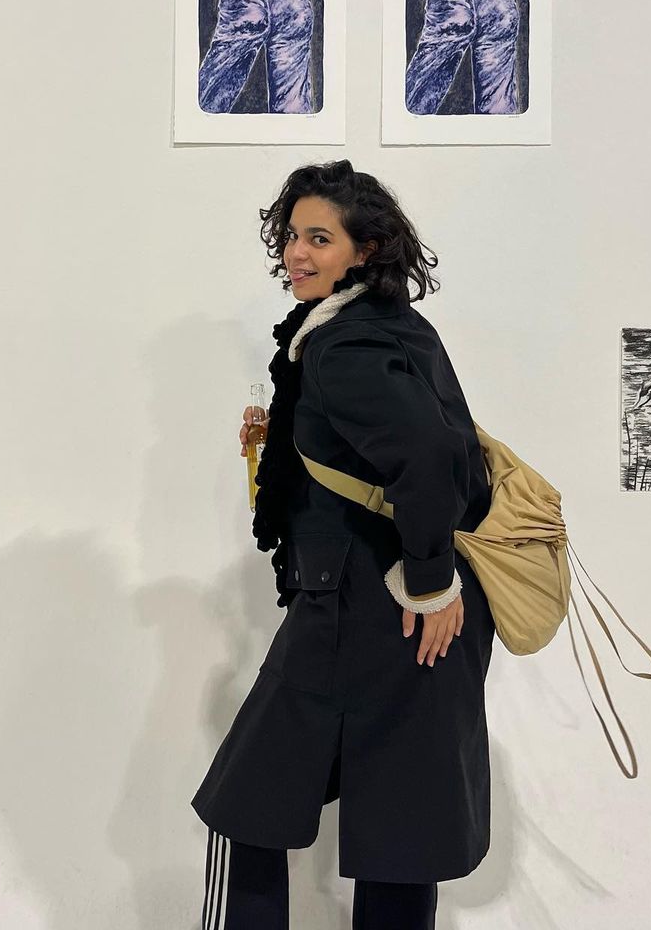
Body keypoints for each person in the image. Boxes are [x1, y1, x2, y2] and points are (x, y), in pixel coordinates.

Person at [192, 159, 495, 930]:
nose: (296, 252)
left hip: (368, 609)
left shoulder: (342, 346)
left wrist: (430, 584)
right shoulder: (389, 325)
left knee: (247, 806)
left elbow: (429, 453)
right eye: (292, 235)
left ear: (366, 249)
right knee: (402, 830)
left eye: (319, 238)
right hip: (394, 609)